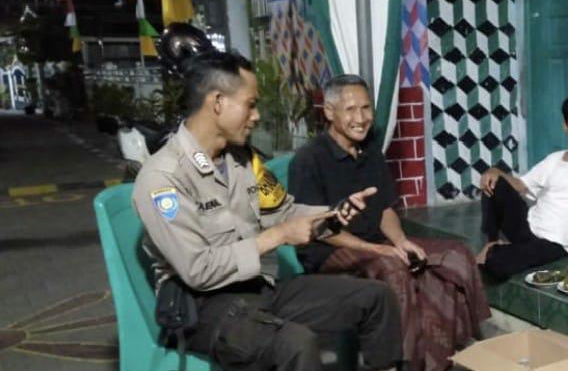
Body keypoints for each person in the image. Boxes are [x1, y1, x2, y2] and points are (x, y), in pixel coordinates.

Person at [132, 51, 404, 371]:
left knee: (377, 298)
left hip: (259, 287)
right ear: (217, 102)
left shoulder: (243, 160)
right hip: (203, 307)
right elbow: (198, 270)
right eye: (250, 104)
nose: (257, 115)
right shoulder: (164, 178)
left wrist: (331, 215)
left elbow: (283, 211)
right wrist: (277, 236)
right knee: (296, 344)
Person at [288, 74, 490, 371]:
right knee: (394, 268)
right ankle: (401, 363)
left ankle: (443, 356)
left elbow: (384, 208)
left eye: (366, 108)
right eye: (350, 109)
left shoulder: (370, 150)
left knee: (454, 255)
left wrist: (400, 241)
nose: (361, 118)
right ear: (329, 112)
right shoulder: (308, 160)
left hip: (376, 244)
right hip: (330, 250)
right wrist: (379, 250)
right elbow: (318, 230)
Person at [477, 93, 568, 280]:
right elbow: (521, 185)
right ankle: (491, 242)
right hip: (529, 226)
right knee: (493, 181)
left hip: (557, 243)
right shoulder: (554, 159)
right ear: (565, 126)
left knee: (496, 264)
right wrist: (495, 171)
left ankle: (500, 252)